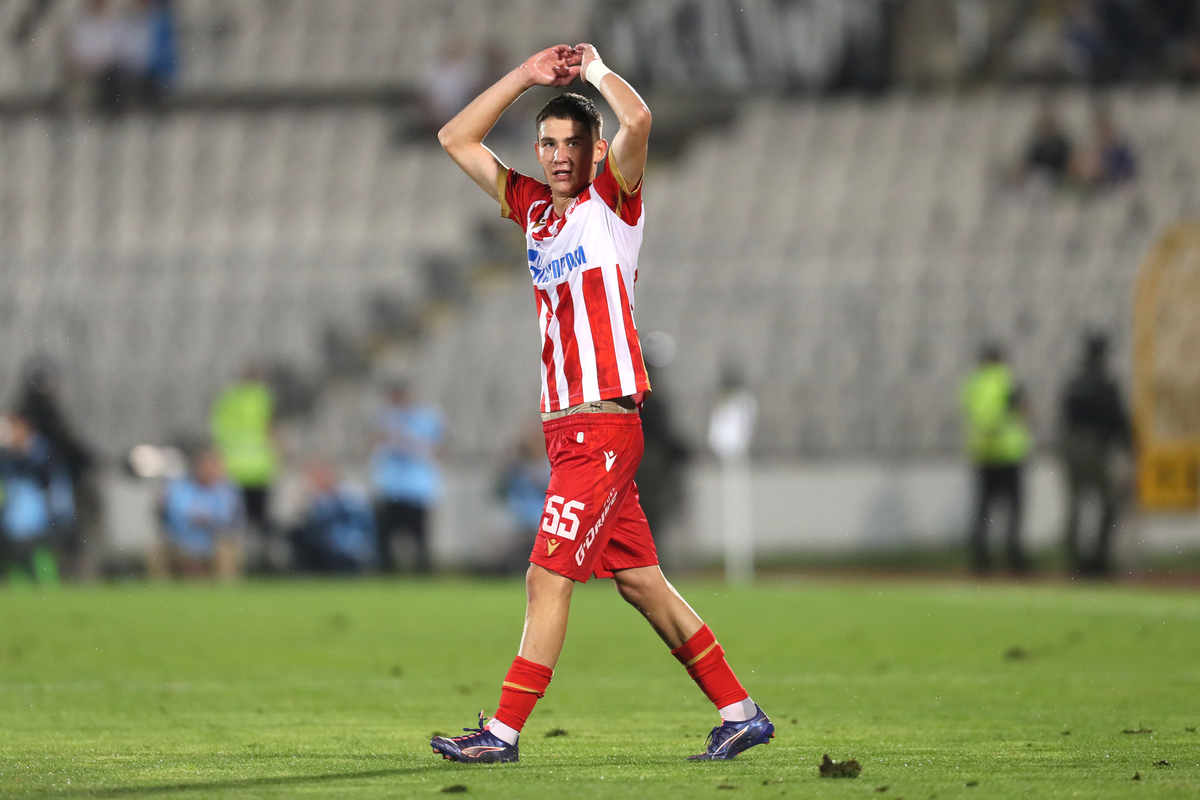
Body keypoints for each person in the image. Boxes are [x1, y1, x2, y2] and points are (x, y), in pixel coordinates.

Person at [431, 43, 773, 764]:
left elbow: (639, 117)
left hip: (603, 428)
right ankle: (740, 713)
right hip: (570, 431)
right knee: (644, 586)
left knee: (545, 576)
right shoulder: (531, 210)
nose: (560, 156)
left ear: (594, 154)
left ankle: (501, 733)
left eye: (574, 144)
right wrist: (525, 76)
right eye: (549, 143)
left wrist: (591, 70)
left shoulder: (609, 202)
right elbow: (455, 137)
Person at [1059, 333, 1132, 577]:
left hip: (1074, 445)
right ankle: (1096, 560)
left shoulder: (1076, 383)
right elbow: (1116, 419)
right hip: (1094, 447)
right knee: (1106, 503)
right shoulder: (1103, 384)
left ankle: (1077, 561)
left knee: (1077, 505)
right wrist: (1129, 445)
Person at [961, 344, 1032, 574]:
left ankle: (980, 558)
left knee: (983, 508)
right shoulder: (1007, 380)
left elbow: (966, 412)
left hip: (982, 452)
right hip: (1009, 451)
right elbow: (1022, 410)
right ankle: (1014, 558)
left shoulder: (973, 383)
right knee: (1014, 508)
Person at [370, 382, 444, 574]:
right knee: (386, 536)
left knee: (419, 536)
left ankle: (423, 572)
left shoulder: (426, 418)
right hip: (390, 485)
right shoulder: (383, 418)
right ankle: (386, 572)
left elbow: (438, 448)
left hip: (416, 487)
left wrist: (409, 443)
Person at [210, 367, 279, 571]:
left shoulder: (226, 399)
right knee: (259, 522)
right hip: (260, 468)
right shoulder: (263, 398)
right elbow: (272, 430)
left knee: (233, 524)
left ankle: (234, 566)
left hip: (232, 468)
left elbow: (218, 431)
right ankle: (262, 564)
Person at [0, 411, 75, 586]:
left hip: (41, 516)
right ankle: (22, 593)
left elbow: (51, 481)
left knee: (40, 554)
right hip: (14, 519)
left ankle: (49, 591)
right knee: (16, 558)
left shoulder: (41, 450)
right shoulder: (7, 457)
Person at [153, 448, 242, 579]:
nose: (208, 470)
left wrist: (204, 519)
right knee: (156, 552)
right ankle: (160, 595)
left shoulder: (226, 490)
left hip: (212, 542)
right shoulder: (180, 487)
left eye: (212, 465)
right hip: (182, 541)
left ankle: (226, 592)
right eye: (204, 465)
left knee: (227, 550)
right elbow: (175, 516)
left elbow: (226, 518)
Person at [289, 459, 378, 575]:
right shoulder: (316, 498)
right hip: (327, 544)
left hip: (349, 541)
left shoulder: (349, 492)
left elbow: (361, 521)